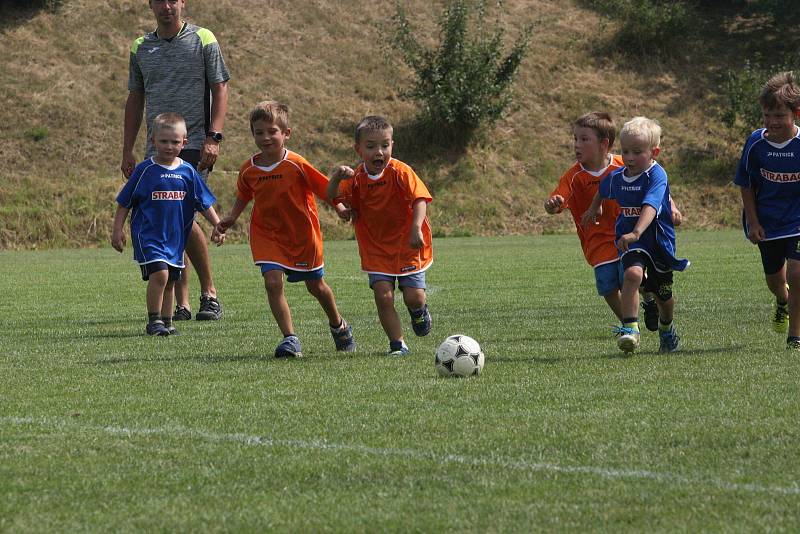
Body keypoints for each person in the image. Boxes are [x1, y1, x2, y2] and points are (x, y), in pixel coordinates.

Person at [213, 101, 355, 358]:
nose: (265, 137)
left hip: (301, 235)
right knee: (272, 281)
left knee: (316, 286)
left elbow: (325, 190)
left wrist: (341, 208)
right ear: (252, 134)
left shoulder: (297, 163)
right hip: (267, 234)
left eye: (272, 131)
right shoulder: (249, 169)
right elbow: (244, 194)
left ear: (286, 133)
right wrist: (231, 217)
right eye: (259, 132)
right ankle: (290, 339)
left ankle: (338, 324)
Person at [121, 0, 229, 322]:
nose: (167, 6)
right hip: (157, 146)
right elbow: (135, 98)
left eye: (173, 0)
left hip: (193, 141)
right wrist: (128, 149)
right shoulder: (141, 46)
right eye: (160, 1)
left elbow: (220, 88)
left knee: (186, 215)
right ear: (151, 5)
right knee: (167, 214)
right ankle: (180, 303)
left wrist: (214, 137)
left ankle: (209, 293)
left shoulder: (203, 39)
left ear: (183, 3)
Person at [327, 115, 433, 356]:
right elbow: (333, 196)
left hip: (407, 245)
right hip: (375, 248)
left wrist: (416, 228)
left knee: (414, 298)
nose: (379, 151)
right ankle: (397, 344)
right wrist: (340, 197)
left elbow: (420, 200)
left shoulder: (401, 171)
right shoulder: (355, 178)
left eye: (385, 145)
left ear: (392, 146)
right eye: (371, 146)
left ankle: (419, 312)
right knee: (383, 296)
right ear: (358, 149)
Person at [582, 116, 689, 354]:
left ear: (654, 152)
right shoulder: (618, 176)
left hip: (658, 243)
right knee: (631, 274)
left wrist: (637, 231)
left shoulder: (656, 175)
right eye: (626, 151)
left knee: (665, 297)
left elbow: (650, 206)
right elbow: (603, 188)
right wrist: (594, 208)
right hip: (631, 241)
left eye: (637, 152)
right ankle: (630, 329)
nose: (629, 157)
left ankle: (666, 328)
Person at [112, 113, 224, 336]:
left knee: (172, 279)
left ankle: (167, 321)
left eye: (175, 142)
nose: (169, 146)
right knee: (161, 274)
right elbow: (124, 203)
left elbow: (202, 202)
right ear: (153, 141)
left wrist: (218, 225)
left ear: (184, 143)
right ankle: (153, 321)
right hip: (149, 237)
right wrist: (117, 231)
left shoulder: (187, 172)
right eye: (163, 141)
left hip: (175, 238)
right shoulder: (145, 171)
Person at [734, 71, 800, 349]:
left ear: (796, 113)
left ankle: (795, 335)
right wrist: (753, 221)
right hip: (767, 222)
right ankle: (781, 300)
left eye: (779, 116)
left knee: (797, 274)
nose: (772, 122)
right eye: (767, 115)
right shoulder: (756, 143)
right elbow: (746, 183)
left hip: (797, 221)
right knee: (776, 280)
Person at [544, 112, 625, 322]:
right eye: (575, 139)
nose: (577, 145)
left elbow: (652, 180)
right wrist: (552, 205)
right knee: (608, 287)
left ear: (603, 144)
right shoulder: (573, 177)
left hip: (628, 235)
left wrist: (669, 205)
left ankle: (649, 303)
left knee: (633, 279)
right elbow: (557, 199)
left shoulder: (624, 165)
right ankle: (629, 324)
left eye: (584, 139)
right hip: (596, 242)